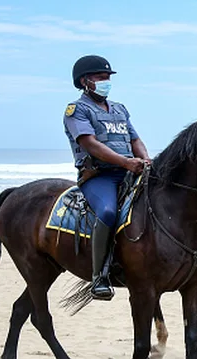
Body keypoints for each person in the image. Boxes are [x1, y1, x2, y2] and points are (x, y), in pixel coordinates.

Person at [63, 55, 151, 301]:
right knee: (108, 213)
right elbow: (90, 144)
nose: (106, 82)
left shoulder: (120, 109)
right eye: (100, 78)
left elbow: (135, 140)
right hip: (100, 177)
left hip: (130, 172)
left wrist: (145, 159)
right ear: (84, 81)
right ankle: (100, 276)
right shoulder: (77, 110)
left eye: (107, 78)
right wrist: (125, 162)